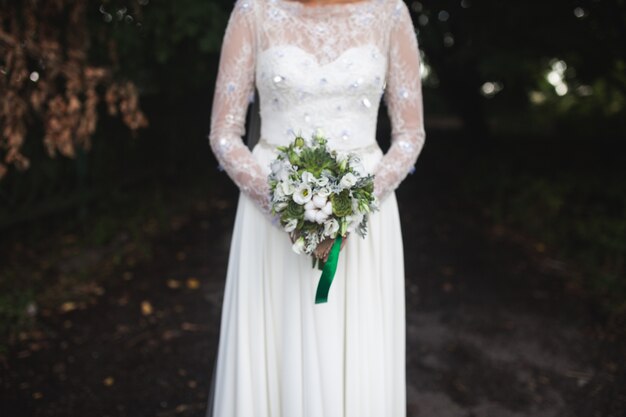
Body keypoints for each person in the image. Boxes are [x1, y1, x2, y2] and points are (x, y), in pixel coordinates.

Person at [206, 0, 426, 415]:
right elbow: (224, 133)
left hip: (365, 216)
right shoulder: (253, 12)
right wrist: (282, 206)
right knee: (276, 345)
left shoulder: (390, 13)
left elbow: (410, 134)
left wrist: (353, 204)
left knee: (355, 347)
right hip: (270, 218)